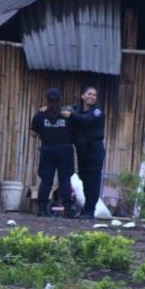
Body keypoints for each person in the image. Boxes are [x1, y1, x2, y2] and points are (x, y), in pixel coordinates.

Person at [30, 88, 76, 217]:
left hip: (47, 151)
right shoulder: (67, 115)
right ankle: (68, 209)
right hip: (65, 151)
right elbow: (76, 129)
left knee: (46, 180)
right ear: (60, 100)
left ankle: (42, 209)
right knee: (65, 180)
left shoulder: (40, 115)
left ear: (47, 100)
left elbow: (33, 133)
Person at [71, 86, 106, 219]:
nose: (92, 97)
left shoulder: (97, 111)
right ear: (83, 96)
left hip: (95, 149)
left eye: (94, 95)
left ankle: (90, 209)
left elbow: (87, 120)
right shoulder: (77, 110)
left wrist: (72, 115)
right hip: (82, 150)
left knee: (93, 180)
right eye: (89, 94)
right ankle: (86, 208)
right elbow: (62, 111)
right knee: (84, 178)